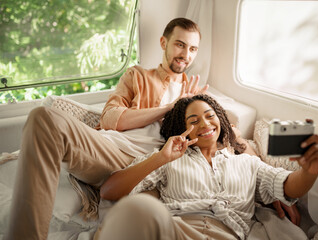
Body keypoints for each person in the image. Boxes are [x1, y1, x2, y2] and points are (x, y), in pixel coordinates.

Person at [5, 17, 208, 240]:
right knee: (43, 117)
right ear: (163, 43)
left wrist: (190, 108)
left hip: (143, 164)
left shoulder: (196, 96)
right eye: (180, 44)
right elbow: (111, 118)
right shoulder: (138, 76)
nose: (186, 54)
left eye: (193, 48)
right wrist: (169, 107)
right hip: (107, 148)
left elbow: (218, 134)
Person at [98, 94, 318, 240]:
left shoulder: (247, 163)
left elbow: (287, 186)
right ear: (181, 129)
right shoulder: (169, 158)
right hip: (176, 230)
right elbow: (109, 191)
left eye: (210, 116)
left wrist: (308, 171)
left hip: (226, 234)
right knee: (139, 209)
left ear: (221, 121)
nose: (205, 124)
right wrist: (160, 159)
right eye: (194, 121)